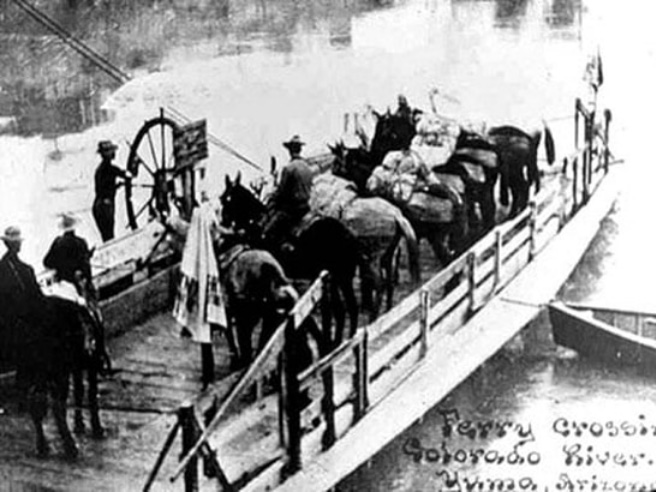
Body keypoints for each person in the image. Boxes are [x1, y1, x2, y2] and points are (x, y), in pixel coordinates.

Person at [0, 226, 47, 396]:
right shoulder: (26, 270)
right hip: (24, 324)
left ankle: (22, 391)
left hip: (7, 324)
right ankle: (30, 390)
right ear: (16, 245)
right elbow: (37, 298)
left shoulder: (2, 268)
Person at [263, 135, 314, 248]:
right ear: (300, 149)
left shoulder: (289, 168)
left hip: (292, 211)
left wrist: (272, 200)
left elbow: (282, 192)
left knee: (267, 232)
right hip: (306, 208)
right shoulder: (308, 168)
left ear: (290, 150)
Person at [92, 140, 131, 242]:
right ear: (106, 154)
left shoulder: (100, 170)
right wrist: (136, 162)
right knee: (109, 237)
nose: (114, 154)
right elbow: (128, 175)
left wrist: (115, 186)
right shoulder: (110, 168)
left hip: (99, 205)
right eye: (111, 151)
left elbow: (102, 188)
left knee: (107, 238)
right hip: (105, 206)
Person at [43, 213, 92, 292]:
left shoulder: (57, 242)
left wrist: (60, 264)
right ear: (74, 228)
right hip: (77, 283)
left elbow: (47, 262)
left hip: (63, 284)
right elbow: (85, 266)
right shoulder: (81, 242)